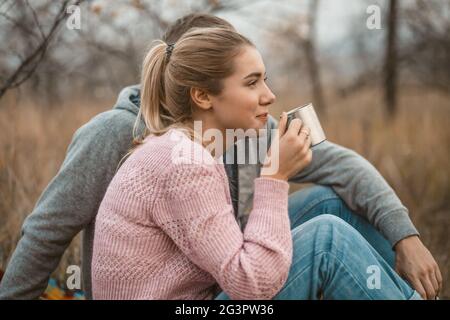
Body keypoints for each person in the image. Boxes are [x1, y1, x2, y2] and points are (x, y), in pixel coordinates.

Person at [0, 14, 441, 300]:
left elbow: (342, 163)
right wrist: (273, 177)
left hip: (217, 274)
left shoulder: (249, 126)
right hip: (203, 288)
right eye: (250, 81)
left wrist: (406, 236)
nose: (269, 96)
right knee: (325, 236)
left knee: (330, 200)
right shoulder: (119, 134)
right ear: (198, 88)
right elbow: (46, 233)